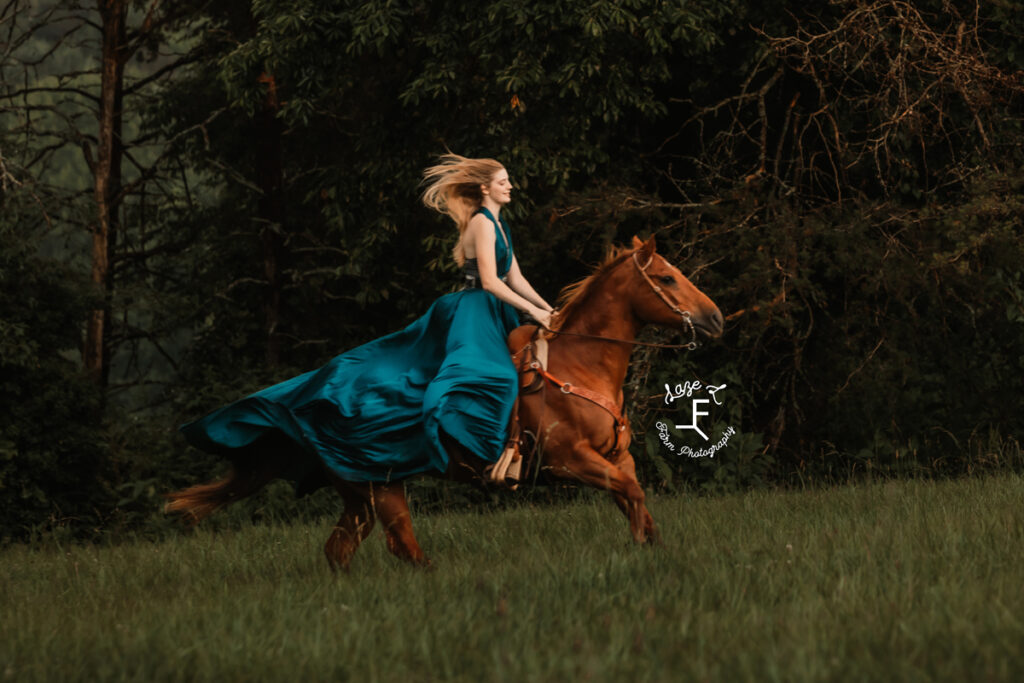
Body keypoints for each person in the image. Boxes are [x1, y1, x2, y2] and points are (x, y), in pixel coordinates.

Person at [179, 154, 554, 486]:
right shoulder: (482, 223)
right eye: (504, 182)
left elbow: (515, 277)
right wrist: (532, 312)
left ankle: (517, 451)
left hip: (495, 311)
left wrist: (547, 307)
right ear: (486, 187)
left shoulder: (501, 224)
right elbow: (489, 281)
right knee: (492, 377)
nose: (511, 187)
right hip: (474, 311)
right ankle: (486, 458)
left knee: (528, 371)